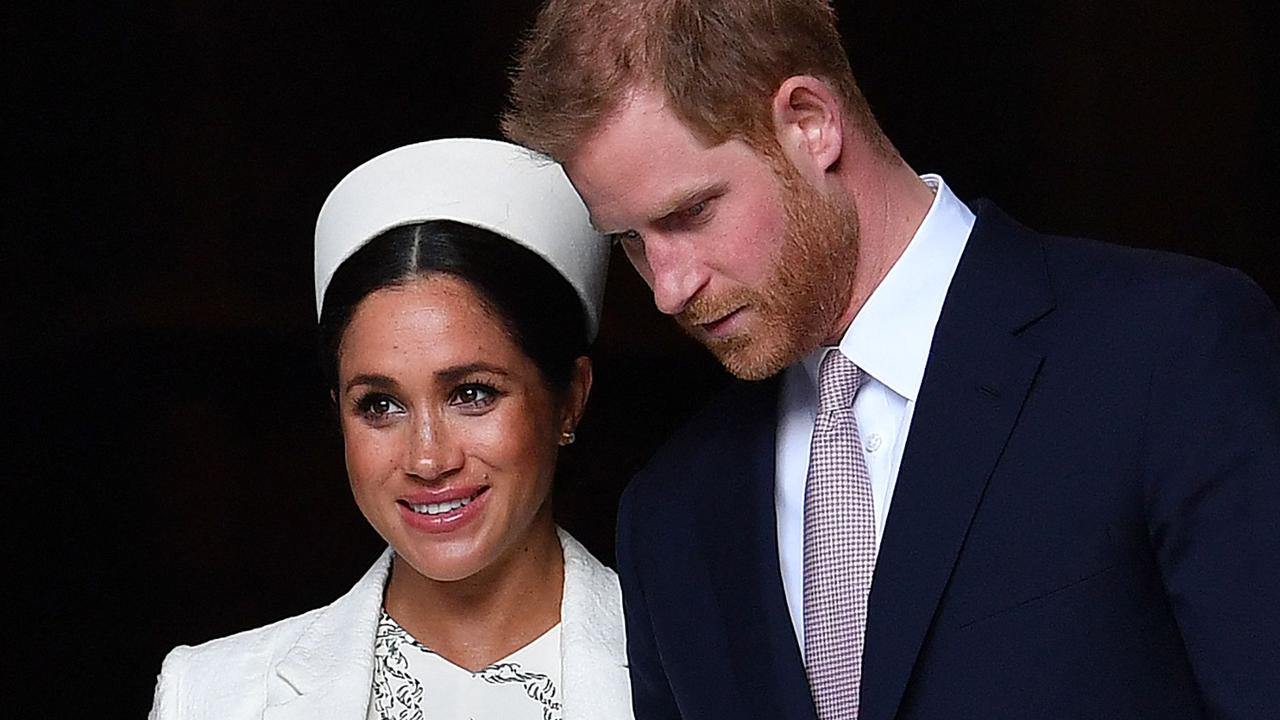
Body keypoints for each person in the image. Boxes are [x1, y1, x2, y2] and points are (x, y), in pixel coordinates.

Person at [501, 1, 1280, 718]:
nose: (668, 288)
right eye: (631, 240)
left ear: (810, 122)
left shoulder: (1169, 352)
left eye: (691, 212)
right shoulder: (670, 516)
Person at [148, 138, 632, 720]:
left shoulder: (700, 676)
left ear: (569, 400)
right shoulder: (213, 697)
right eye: (380, 405)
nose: (428, 459)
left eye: (471, 394)